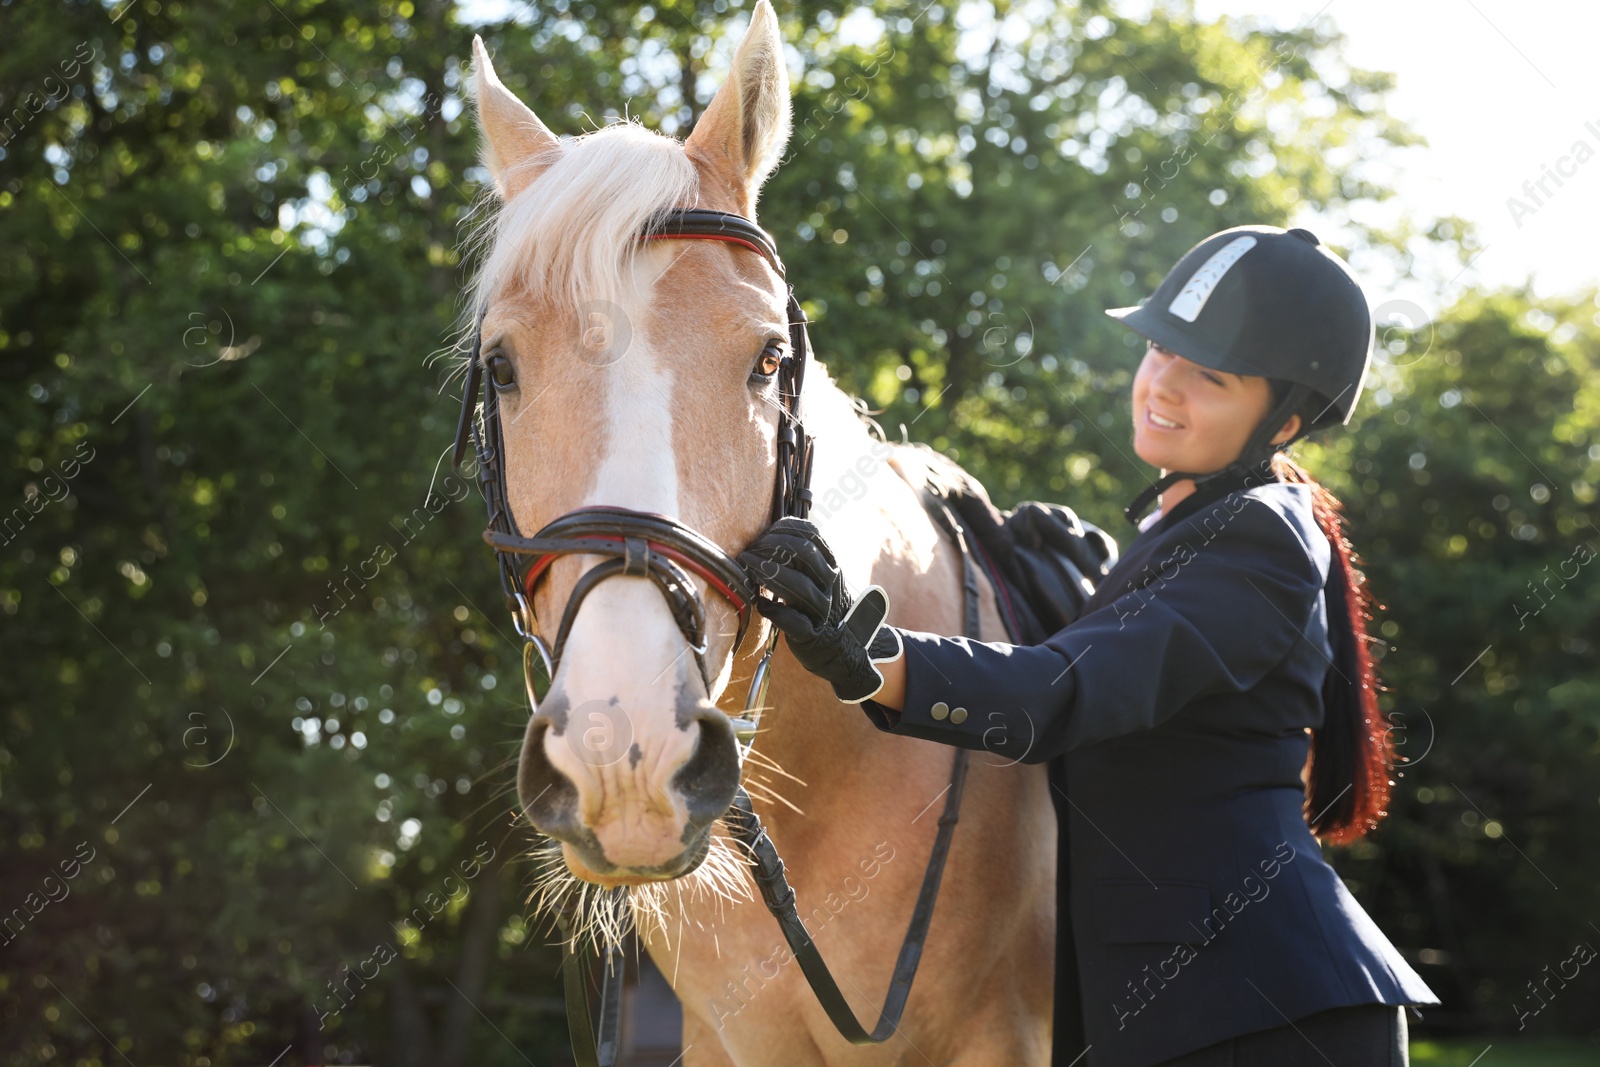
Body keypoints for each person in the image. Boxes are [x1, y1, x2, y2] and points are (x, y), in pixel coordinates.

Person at [738, 225, 1440, 1067]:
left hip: (1267, 1014)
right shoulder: (1189, 527)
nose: (1163, 386)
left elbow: (1065, 691)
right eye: (1159, 350)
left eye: (1208, 375)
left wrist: (870, 656)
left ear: (1284, 419)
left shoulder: (1261, 539)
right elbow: (1131, 676)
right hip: (1186, 1010)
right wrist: (1066, 585)